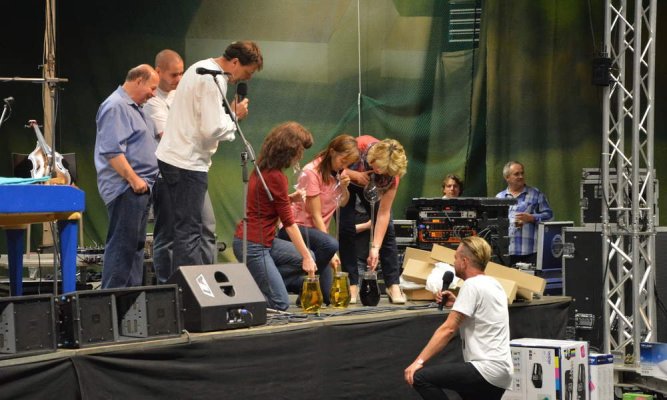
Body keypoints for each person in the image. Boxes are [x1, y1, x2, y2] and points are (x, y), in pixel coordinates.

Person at [156, 41, 263, 270]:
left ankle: (189, 283)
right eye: (248, 72)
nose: (247, 79)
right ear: (235, 62)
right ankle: (189, 288)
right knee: (189, 231)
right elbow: (211, 129)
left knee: (191, 228)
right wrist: (235, 116)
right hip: (187, 163)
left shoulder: (200, 67)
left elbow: (203, 120)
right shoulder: (212, 78)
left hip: (176, 158)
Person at [404, 236, 512, 400]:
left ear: (464, 261)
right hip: (502, 373)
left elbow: (448, 329)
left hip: (485, 369)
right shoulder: (494, 284)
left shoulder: (471, 285)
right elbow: (484, 314)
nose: (453, 263)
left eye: (455, 258)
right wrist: (457, 303)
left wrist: (418, 362)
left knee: (420, 378)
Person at [144, 49, 218, 284]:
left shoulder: (181, 95)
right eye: (174, 74)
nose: (179, 78)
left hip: (192, 171)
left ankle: (205, 283)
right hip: (166, 174)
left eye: (181, 73)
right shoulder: (152, 101)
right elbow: (171, 136)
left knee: (206, 228)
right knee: (168, 234)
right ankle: (168, 287)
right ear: (158, 72)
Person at [232, 121, 317, 311]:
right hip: (254, 245)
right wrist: (306, 258)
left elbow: (265, 204)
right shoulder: (277, 177)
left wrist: (289, 199)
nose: (300, 156)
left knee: (309, 255)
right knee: (280, 302)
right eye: (299, 151)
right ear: (289, 151)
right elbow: (289, 223)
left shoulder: (261, 170)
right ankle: (247, 296)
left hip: (260, 241)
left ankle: (266, 282)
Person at [94, 64, 160, 288]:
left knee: (135, 249)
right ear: (139, 80)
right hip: (127, 189)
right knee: (123, 249)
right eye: (152, 88)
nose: (153, 94)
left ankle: (128, 303)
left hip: (141, 188)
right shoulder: (115, 106)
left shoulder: (137, 109)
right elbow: (112, 151)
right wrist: (134, 180)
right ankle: (110, 302)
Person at [277, 134, 359, 304]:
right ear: (332, 152)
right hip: (298, 228)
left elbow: (342, 203)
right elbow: (315, 215)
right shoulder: (311, 172)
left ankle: (305, 288)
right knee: (330, 245)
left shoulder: (339, 173)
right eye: (343, 160)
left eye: (348, 163)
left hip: (318, 235)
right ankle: (290, 280)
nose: (344, 166)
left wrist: (344, 188)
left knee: (328, 298)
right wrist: (331, 252)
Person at [339, 136, 408, 304]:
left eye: (385, 172)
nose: (380, 172)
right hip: (347, 182)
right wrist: (355, 174)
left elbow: (383, 214)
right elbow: (332, 166)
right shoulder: (359, 146)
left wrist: (375, 248)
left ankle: (393, 285)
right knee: (346, 228)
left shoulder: (392, 175)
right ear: (373, 158)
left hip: (371, 189)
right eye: (379, 168)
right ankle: (352, 284)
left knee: (387, 230)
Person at [495, 161, 553, 266]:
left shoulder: (535, 194)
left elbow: (550, 216)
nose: (521, 176)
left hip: (529, 252)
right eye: (516, 174)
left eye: (522, 173)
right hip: (506, 252)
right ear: (507, 177)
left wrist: (532, 217)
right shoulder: (499, 197)